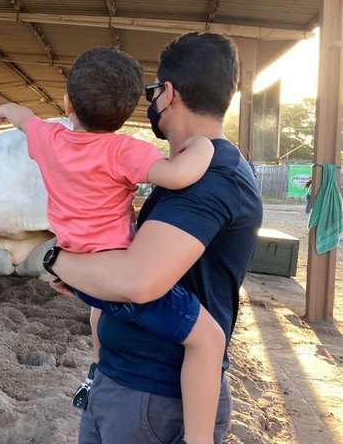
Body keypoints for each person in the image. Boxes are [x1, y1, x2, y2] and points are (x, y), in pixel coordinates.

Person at [0, 46, 226, 444]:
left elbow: (25, 120)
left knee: (101, 314)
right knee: (209, 340)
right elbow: (174, 176)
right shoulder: (124, 150)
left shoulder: (49, 138)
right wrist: (204, 146)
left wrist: (9, 110)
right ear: (127, 112)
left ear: (68, 104)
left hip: (79, 269)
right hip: (115, 271)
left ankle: (98, 366)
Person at [47, 34, 263, 443]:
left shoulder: (210, 177)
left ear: (167, 94)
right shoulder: (185, 171)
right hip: (127, 385)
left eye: (152, 93)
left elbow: (138, 281)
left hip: (153, 401)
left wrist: (55, 260)